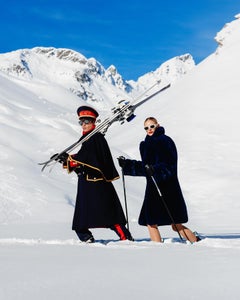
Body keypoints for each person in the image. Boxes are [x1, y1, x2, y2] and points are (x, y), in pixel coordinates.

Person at [58, 106, 133, 243]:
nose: (84, 125)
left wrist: (70, 159)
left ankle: (125, 237)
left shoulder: (96, 138)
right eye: (81, 122)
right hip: (86, 184)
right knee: (81, 218)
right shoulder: (87, 139)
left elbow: (89, 158)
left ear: (94, 122)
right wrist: (67, 160)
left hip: (98, 184)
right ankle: (86, 237)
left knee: (110, 214)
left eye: (87, 121)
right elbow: (83, 159)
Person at [118, 117, 200, 243]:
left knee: (175, 225)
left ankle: (196, 242)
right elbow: (146, 168)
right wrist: (128, 165)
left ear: (158, 125)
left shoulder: (165, 141)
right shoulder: (145, 145)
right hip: (153, 189)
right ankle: (157, 249)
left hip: (168, 188)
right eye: (146, 128)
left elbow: (170, 165)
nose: (149, 129)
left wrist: (154, 169)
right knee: (150, 222)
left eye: (152, 126)